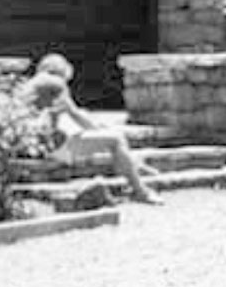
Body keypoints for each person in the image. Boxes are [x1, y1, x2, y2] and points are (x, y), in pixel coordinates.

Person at [26, 54, 161, 205]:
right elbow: (76, 115)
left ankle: (134, 167)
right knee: (115, 140)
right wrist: (98, 128)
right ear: (62, 72)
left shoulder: (32, 84)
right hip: (50, 150)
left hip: (31, 147)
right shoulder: (56, 84)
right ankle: (140, 190)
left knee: (101, 139)